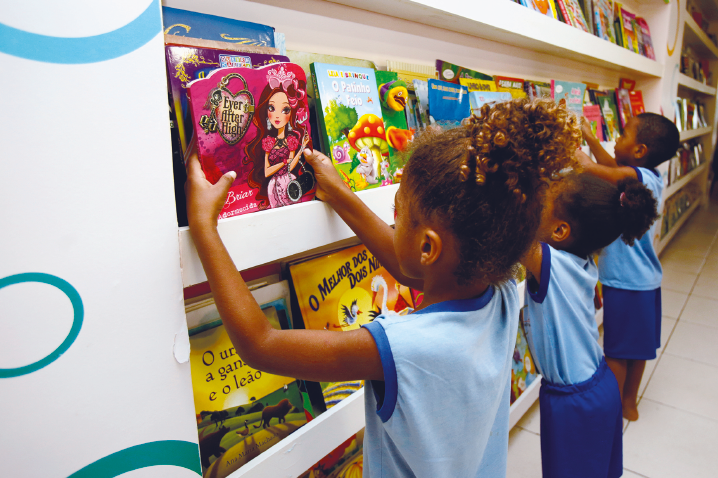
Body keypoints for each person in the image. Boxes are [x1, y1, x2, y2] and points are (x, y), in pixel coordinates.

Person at [184, 97, 580, 476]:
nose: (394, 218)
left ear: (428, 246)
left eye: (399, 211)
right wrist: (339, 192)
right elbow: (410, 270)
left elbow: (261, 344)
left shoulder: (399, 347)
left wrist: (204, 227)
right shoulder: (504, 291)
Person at [519, 172, 657, 477]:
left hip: (575, 401)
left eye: (541, 202)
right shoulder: (580, 259)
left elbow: (509, 231)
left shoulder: (549, 263)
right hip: (599, 385)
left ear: (559, 230)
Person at [579, 112, 679, 421]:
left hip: (626, 284)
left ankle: (611, 408)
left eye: (623, 135)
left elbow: (599, 171)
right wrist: (592, 138)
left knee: (617, 352)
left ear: (639, 151)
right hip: (645, 282)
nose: (618, 138)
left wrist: (574, 154)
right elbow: (613, 167)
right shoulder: (650, 177)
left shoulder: (639, 178)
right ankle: (629, 402)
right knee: (638, 350)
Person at [244, 65, 312, 208]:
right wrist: (283, 163)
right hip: (273, 186)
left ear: (291, 113)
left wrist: (302, 149)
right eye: (271, 108)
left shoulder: (292, 140)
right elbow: (267, 171)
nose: (277, 115)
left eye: (285, 109)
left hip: (290, 182)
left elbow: (291, 164)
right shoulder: (268, 142)